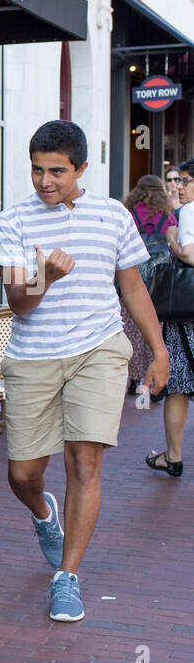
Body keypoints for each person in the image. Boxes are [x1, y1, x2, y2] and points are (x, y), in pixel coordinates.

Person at [0, 120, 168, 623]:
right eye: (37, 170)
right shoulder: (12, 221)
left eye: (57, 172)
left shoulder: (112, 216)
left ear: (82, 168)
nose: (45, 181)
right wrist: (44, 276)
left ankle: (66, 578)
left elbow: (132, 288)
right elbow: (18, 306)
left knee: (84, 463)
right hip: (34, 355)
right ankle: (45, 515)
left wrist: (157, 350)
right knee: (22, 472)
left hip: (99, 348)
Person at [146, 157, 194, 477]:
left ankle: (173, 455)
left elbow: (189, 254)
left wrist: (173, 238)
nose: (178, 186)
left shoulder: (189, 212)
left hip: (186, 315)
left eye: (185, 181)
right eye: (176, 180)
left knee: (177, 384)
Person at [120, 174, 176, 392]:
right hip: (158, 281)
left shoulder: (129, 213)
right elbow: (172, 243)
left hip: (132, 278)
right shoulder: (167, 215)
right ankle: (152, 376)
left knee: (132, 327)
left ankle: (134, 378)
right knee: (155, 327)